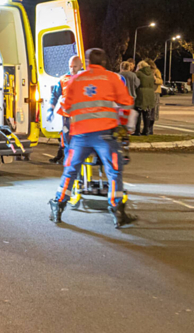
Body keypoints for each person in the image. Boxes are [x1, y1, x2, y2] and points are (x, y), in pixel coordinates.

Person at [48, 48, 136, 228]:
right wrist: (125, 127)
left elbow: (66, 106)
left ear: (86, 63)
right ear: (104, 62)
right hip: (105, 135)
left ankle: (58, 205)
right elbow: (127, 104)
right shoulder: (112, 78)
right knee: (114, 171)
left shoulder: (75, 80)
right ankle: (117, 211)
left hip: (80, 136)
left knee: (71, 170)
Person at [48, 56, 84, 164]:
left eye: (75, 66)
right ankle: (69, 161)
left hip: (81, 116)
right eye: (70, 66)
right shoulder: (64, 79)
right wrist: (51, 108)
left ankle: (79, 162)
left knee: (81, 140)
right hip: (66, 116)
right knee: (67, 139)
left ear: (81, 66)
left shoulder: (85, 78)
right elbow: (55, 94)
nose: (72, 69)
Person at [134, 60, 157, 136]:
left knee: (138, 113)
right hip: (150, 95)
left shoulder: (138, 74)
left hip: (141, 94)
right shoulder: (151, 74)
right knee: (147, 113)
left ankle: (137, 131)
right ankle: (146, 131)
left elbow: (135, 84)